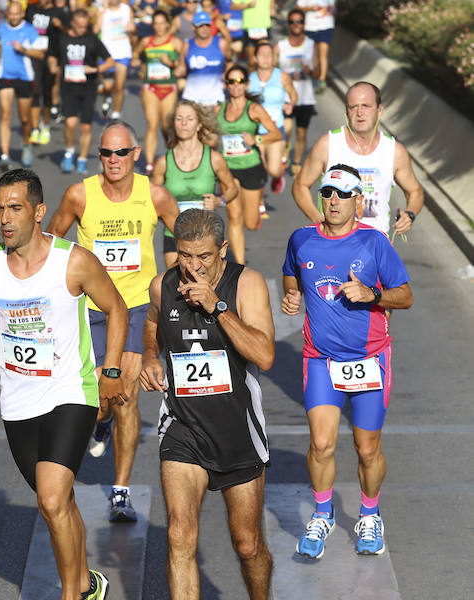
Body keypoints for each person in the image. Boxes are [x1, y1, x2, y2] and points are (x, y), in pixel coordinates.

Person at [0, 168, 127, 600]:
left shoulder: (72, 261)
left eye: (14, 208)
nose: (5, 218)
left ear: (38, 212)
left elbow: (117, 308)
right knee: (61, 503)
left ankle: (70, 594)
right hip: (18, 402)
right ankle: (89, 583)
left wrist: (109, 372)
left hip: (70, 392)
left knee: (52, 501)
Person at [47, 120, 179, 522]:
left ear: (136, 154)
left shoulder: (154, 195)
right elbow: (51, 241)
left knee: (126, 397)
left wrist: (181, 280)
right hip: (89, 310)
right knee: (99, 401)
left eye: (122, 152)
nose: (114, 160)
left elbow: (188, 237)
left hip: (138, 308)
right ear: (99, 155)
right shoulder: (78, 195)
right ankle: (99, 422)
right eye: (107, 153)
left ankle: (120, 491)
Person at [140, 208, 275, 600]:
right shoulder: (162, 286)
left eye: (203, 256)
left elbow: (265, 356)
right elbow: (152, 323)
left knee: (247, 544)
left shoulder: (246, 285)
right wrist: (150, 356)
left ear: (223, 251)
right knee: (180, 534)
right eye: (185, 255)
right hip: (183, 425)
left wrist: (217, 306)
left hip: (237, 428)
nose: (193, 266)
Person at [281, 164, 413, 558]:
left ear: (359, 199)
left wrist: (372, 294)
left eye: (342, 194)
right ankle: (323, 514)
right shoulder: (301, 239)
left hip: (370, 359)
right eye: (327, 193)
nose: (333, 201)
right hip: (321, 359)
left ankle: (370, 515)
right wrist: (292, 296)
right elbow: (291, 275)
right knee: (321, 444)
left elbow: (404, 295)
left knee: (366, 447)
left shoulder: (374, 243)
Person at [292, 81, 424, 237]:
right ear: (346, 112)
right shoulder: (328, 144)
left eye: (366, 106)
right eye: (353, 107)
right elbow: (300, 186)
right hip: (335, 241)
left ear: (380, 110)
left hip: (375, 244)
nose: (359, 113)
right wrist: (317, 218)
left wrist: (410, 214)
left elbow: (415, 191)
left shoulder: (394, 151)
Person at [152, 100, 241, 265]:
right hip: (174, 235)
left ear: (199, 125)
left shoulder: (214, 158)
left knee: (207, 287)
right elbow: (152, 199)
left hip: (207, 237)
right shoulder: (163, 162)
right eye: (179, 119)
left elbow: (232, 189)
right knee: (175, 287)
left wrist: (219, 200)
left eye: (189, 119)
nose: (184, 123)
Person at [48, 8, 116, 174]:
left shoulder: (92, 39)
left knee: (85, 127)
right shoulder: (62, 38)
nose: (82, 29)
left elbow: (110, 61)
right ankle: (69, 151)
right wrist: (52, 65)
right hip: (68, 87)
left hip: (88, 88)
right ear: (72, 23)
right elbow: (52, 54)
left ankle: (83, 159)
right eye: (79, 26)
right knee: (70, 123)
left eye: (85, 26)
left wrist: (95, 69)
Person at [215, 65, 281, 235]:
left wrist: (256, 139)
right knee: (234, 216)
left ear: (246, 84)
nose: (236, 85)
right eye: (231, 81)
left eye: (240, 81)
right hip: (228, 168)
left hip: (251, 166)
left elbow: (276, 134)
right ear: (226, 85)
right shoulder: (219, 110)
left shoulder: (254, 109)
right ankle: (239, 262)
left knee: (250, 224)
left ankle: (258, 198)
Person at [131, 9, 186, 175]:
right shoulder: (146, 41)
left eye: (163, 23)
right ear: (153, 25)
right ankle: (149, 164)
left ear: (168, 25)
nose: (160, 27)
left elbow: (183, 66)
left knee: (167, 126)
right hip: (151, 87)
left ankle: (171, 157)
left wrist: (170, 62)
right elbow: (136, 54)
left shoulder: (175, 42)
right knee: (152, 124)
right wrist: (136, 61)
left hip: (168, 87)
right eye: (157, 23)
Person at [0, 1, 44, 170]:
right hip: (5, 76)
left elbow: (40, 53)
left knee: (24, 118)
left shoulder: (30, 30)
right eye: (11, 14)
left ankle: (26, 143)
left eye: (16, 14)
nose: (13, 17)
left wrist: (23, 50)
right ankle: (5, 155)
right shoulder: (1, 29)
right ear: (7, 14)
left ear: (22, 14)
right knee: (5, 116)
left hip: (24, 77)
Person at [248, 40, 297, 197]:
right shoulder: (250, 79)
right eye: (262, 55)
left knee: (274, 170)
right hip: (256, 131)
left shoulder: (282, 76)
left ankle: (278, 176)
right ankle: (259, 201)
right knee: (257, 169)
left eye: (269, 55)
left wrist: (290, 104)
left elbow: (293, 93)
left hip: (276, 130)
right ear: (255, 58)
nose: (266, 59)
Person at [277, 9, 317, 175]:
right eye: (292, 21)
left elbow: (318, 72)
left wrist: (310, 71)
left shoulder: (311, 45)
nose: (296, 25)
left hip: (305, 97)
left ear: (304, 24)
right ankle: (285, 149)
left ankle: (297, 163)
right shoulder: (280, 46)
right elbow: (272, 71)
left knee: (301, 132)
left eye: (299, 21)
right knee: (286, 129)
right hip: (285, 96)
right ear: (288, 24)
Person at [94, 0, 135, 121]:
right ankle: (107, 97)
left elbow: (132, 26)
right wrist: (102, 13)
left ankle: (116, 113)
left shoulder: (127, 9)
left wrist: (131, 28)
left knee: (119, 86)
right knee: (107, 86)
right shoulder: (102, 10)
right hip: (107, 54)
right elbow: (95, 30)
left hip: (123, 52)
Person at [181, 11, 231, 108]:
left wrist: (227, 78)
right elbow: (181, 69)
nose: (204, 29)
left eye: (207, 25)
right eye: (200, 25)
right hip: (192, 98)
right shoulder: (187, 46)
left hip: (215, 98)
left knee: (216, 123)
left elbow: (229, 63)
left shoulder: (222, 43)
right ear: (193, 27)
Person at [25, 0, 57, 146]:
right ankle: (35, 128)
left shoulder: (57, 12)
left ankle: (45, 124)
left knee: (47, 93)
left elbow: (64, 35)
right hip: (33, 56)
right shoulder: (30, 10)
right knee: (35, 92)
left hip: (49, 57)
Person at [296, 0, 334, 94]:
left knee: (323, 55)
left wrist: (328, 10)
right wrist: (310, 8)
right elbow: (298, 7)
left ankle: (321, 80)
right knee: (314, 57)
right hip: (310, 27)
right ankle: (314, 77)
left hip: (326, 27)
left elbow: (333, 9)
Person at [240, 0, 271, 70]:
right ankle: (252, 80)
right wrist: (247, 5)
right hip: (249, 29)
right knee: (252, 62)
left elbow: (272, 3)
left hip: (264, 28)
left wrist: (271, 8)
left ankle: (265, 80)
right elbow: (233, 6)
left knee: (265, 60)